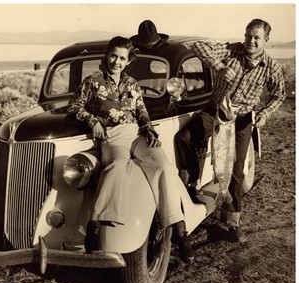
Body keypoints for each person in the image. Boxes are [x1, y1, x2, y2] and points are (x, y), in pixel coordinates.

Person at [68, 35, 194, 260]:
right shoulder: (93, 81)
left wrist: (150, 132)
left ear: (128, 61)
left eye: (122, 58)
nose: (116, 61)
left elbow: (141, 112)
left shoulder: (132, 84)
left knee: (164, 166)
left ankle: (178, 230)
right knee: (116, 165)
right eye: (113, 56)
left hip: (137, 134)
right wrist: (93, 121)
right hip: (113, 136)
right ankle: (95, 225)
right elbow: (75, 106)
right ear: (107, 55)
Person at [175, 19, 286, 242]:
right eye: (248, 35)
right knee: (184, 138)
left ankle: (232, 221)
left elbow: (279, 94)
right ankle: (193, 187)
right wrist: (220, 67)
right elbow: (197, 45)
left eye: (256, 37)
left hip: (243, 120)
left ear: (266, 40)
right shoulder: (232, 50)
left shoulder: (271, 67)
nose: (251, 41)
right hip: (216, 111)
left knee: (236, 170)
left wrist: (263, 114)